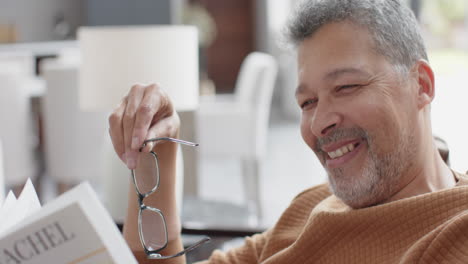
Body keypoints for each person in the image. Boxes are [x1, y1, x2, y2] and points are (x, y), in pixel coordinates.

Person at [108, 0, 468, 263]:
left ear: (421, 84)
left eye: (345, 87)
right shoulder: (312, 206)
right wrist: (154, 155)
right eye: (307, 102)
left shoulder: (453, 232)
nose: (319, 121)